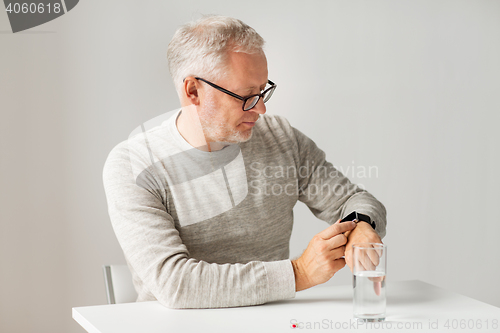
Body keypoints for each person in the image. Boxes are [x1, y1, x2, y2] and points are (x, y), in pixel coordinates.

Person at [103, 15, 386, 309]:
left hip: (269, 322)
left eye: (263, 91)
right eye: (247, 96)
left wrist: (363, 224)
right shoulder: (133, 165)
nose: (261, 108)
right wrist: (300, 272)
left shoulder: (281, 138)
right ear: (193, 91)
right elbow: (176, 285)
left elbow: (355, 199)